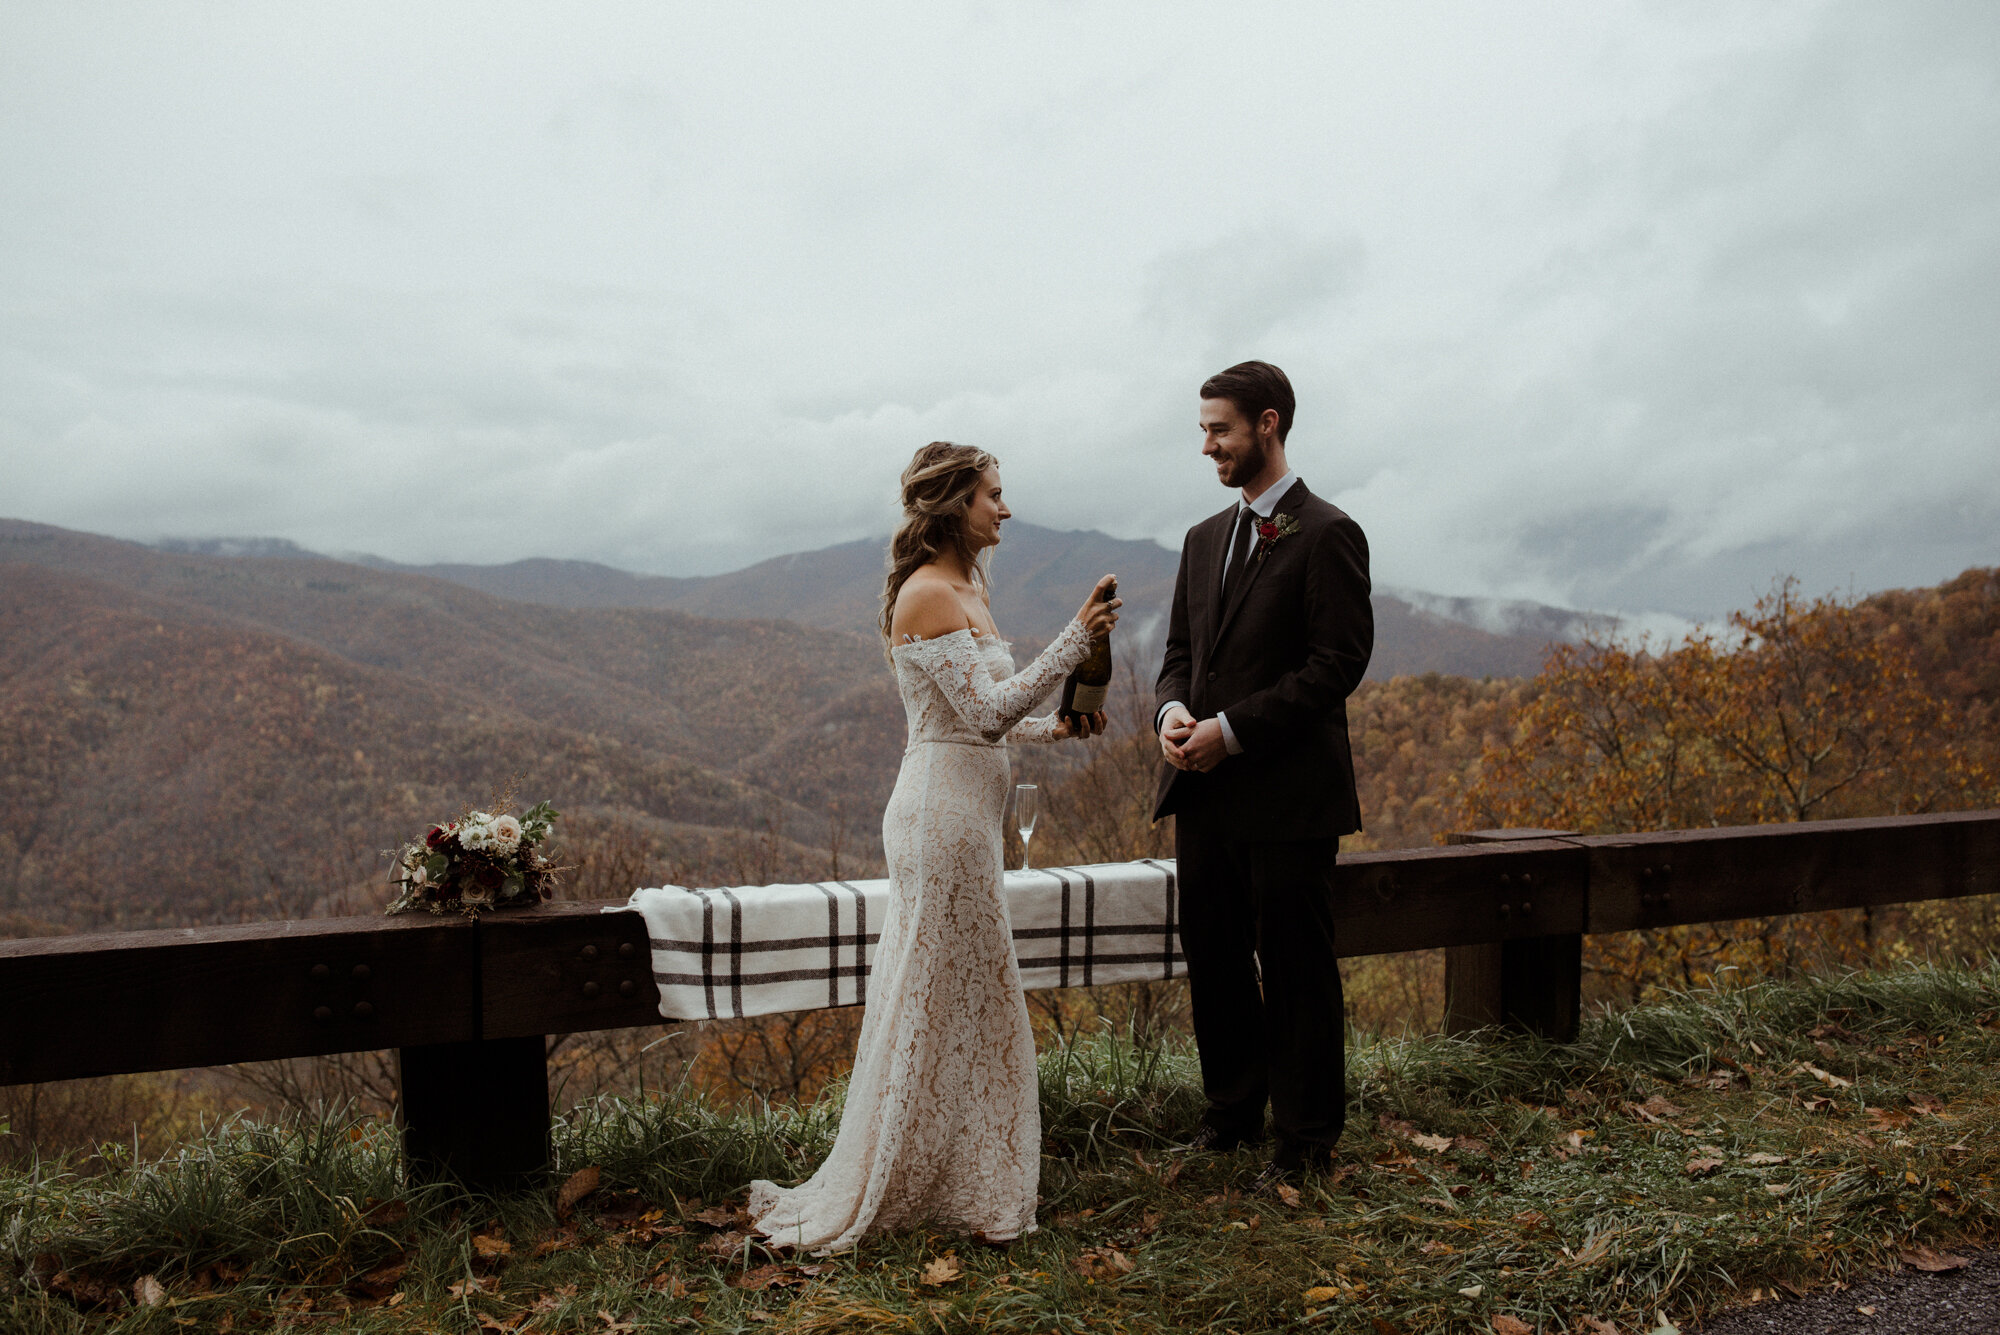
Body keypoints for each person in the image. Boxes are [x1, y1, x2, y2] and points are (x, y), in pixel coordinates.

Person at [748, 440, 1120, 1254]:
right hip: (939, 817)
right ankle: (920, 1175)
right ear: (954, 503)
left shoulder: (969, 589)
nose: (1005, 507)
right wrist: (1072, 639)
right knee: (942, 991)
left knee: (970, 995)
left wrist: (1058, 727)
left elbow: (983, 717)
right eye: (993, 493)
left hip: (969, 808)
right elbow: (980, 715)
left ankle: (961, 1172)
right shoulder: (925, 596)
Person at [1153, 360, 1373, 1189]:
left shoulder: (1328, 532)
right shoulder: (1203, 538)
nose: (1207, 444)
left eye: (1220, 429)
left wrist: (1233, 733)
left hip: (1288, 797)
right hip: (1202, 796)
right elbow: (1181, 654)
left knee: (1295, 969)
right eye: (1205, 429)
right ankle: (1231, 1118)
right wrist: (1172, 713)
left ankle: (1306, 1142)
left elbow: (1337, 665)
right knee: (1212, 959)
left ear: (1268, 425)